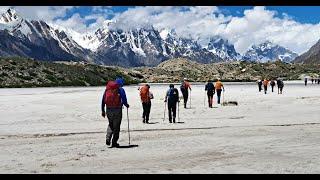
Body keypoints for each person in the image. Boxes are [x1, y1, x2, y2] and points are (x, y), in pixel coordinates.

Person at [101, 77, 129, 148]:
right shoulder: (120, 89)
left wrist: (103, 111)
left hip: (108, 109)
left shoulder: (107, 89)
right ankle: (114, 142)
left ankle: (108, 138)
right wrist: (126, 105)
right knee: (117, 126)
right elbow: (124, 99)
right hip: (117, 109)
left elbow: (103, 100)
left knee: (111, 124)